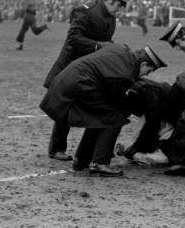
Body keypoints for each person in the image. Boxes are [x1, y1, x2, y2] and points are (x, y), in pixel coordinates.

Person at [40, 43, 167, 177]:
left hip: (67, 81)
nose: (146, 75)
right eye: (148, 71)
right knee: (114, 117)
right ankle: (100, 163)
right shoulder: (126, 71)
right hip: (78, 86)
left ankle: (81, 160)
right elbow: (116, 98)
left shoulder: (121, 49)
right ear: (143, 64)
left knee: (100, 116)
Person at [43, 0, 134, 161]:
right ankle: (56, 149)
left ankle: (92, 149)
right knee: (64, 107)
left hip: (90, 70)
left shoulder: (110, 17)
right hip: (69, 67)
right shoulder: (84, 11)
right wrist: (99, 46)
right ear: (109, 0)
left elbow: (106, 42)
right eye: (119, 5)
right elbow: (73, 38)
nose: (120, 10)